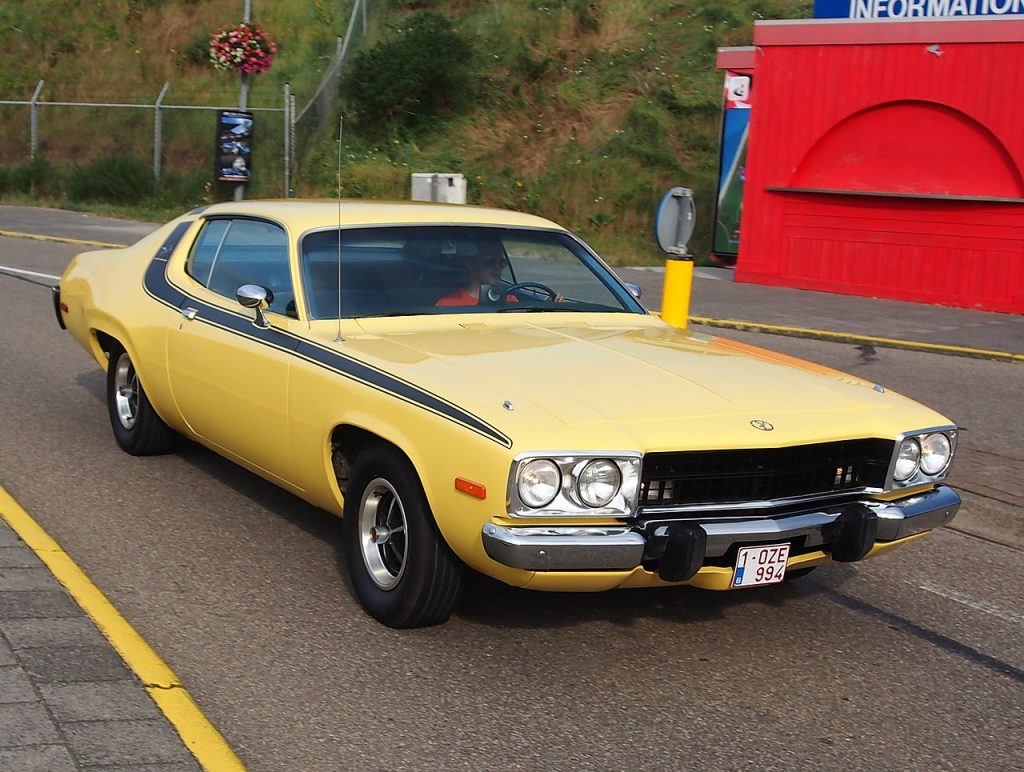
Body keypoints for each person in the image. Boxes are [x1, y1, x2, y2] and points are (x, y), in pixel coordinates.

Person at [435, 242, 514, 307]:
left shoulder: (511, 300)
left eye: (502, 262)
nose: (497, 267)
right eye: (490, 261)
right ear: (470, 264)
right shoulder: (447, 304)